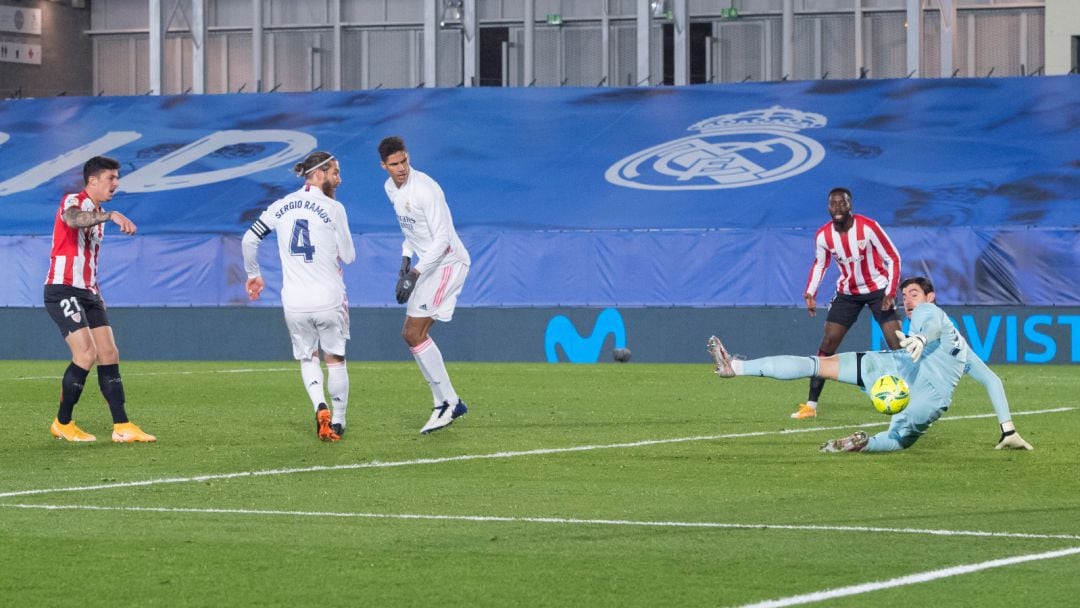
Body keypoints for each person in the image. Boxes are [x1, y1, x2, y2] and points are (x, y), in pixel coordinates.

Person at [707, 276, 1034, 453]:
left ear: (930, 296)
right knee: (897, 441)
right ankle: (865, 444)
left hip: (893, 370)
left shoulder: (929, 313)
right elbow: (993, 382)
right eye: (905, 296)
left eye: (915, 294)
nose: (908, 301)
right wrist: (1008, 429)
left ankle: (735, 368)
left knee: (816, 364)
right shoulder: (962, 349)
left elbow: (929, 324)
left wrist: (919, 339)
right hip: (923, 396)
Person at [242, 151, 355, 442]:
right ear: (318, 174)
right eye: (335, 172)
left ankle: (320, 406)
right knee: (335, 359)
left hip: (294, 301)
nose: (339, 179)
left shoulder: (280, 206)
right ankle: (339, 421)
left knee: (308, 358)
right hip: (328, 298)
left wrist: (253, 273)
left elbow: (249, 239)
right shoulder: (333, 207)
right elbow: (349, 256)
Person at [43, 155, 156, 443]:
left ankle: (122, 425)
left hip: (89, 292)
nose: (116, 184)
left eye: (117, 178)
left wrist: (96, 292)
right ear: (92, 181)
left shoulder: (98, 213)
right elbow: (72, 220)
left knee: (109, 353)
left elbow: (88, 259)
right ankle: (63, 422)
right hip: (62, 288)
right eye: (111, 178)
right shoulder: (74, 201)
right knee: (85, 354)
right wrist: (110, 215)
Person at [378, 136, 471, 435]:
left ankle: (450, 402)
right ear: (384, 166)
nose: (402, 168)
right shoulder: (390, 188)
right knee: (413, 334)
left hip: (447, 263)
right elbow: (411, 230)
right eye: (394, 164)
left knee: (413, 332)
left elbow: (442, 240)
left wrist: (415, 273)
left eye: (404, 161)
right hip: (426, 265)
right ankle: (443, 401)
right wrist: (405, 260)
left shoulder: (426, 190)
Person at [795, 187, 903, 420]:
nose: (837, 208)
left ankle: (913, 398)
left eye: (842, 203)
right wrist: (810, 291)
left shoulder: (869, 227)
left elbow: (892, 257)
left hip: (878, 291)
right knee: (827, 345)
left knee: (898, 344)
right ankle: (811, 406)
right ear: (828, 207)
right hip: (847, 293)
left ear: (850, 204)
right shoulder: (824, 235)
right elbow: (820, 264)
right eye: (833, 204)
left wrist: (891, 291)